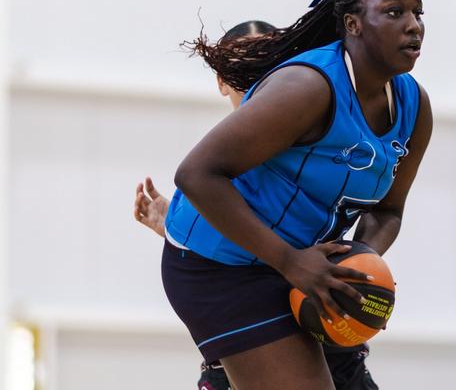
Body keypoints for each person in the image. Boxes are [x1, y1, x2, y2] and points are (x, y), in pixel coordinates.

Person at [162, 0, 432, 390]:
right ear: (353, 24)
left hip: (302, 262)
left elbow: (389, 210)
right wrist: (291, 262)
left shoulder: (415, 107)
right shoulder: (307, 86)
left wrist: (357, 261)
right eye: (395, 11)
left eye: (419, 13)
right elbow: (196, 175)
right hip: (218, 264)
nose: (414, 26)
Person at [134, 20, 380, 389]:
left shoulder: (314, 145)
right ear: (220, 80)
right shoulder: (213, 167)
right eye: (241, 61)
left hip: (325, 336)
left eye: (265, 58)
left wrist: (365, 274)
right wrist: (174, 229)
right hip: (245, 351)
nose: (254, 70)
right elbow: (224, 259)